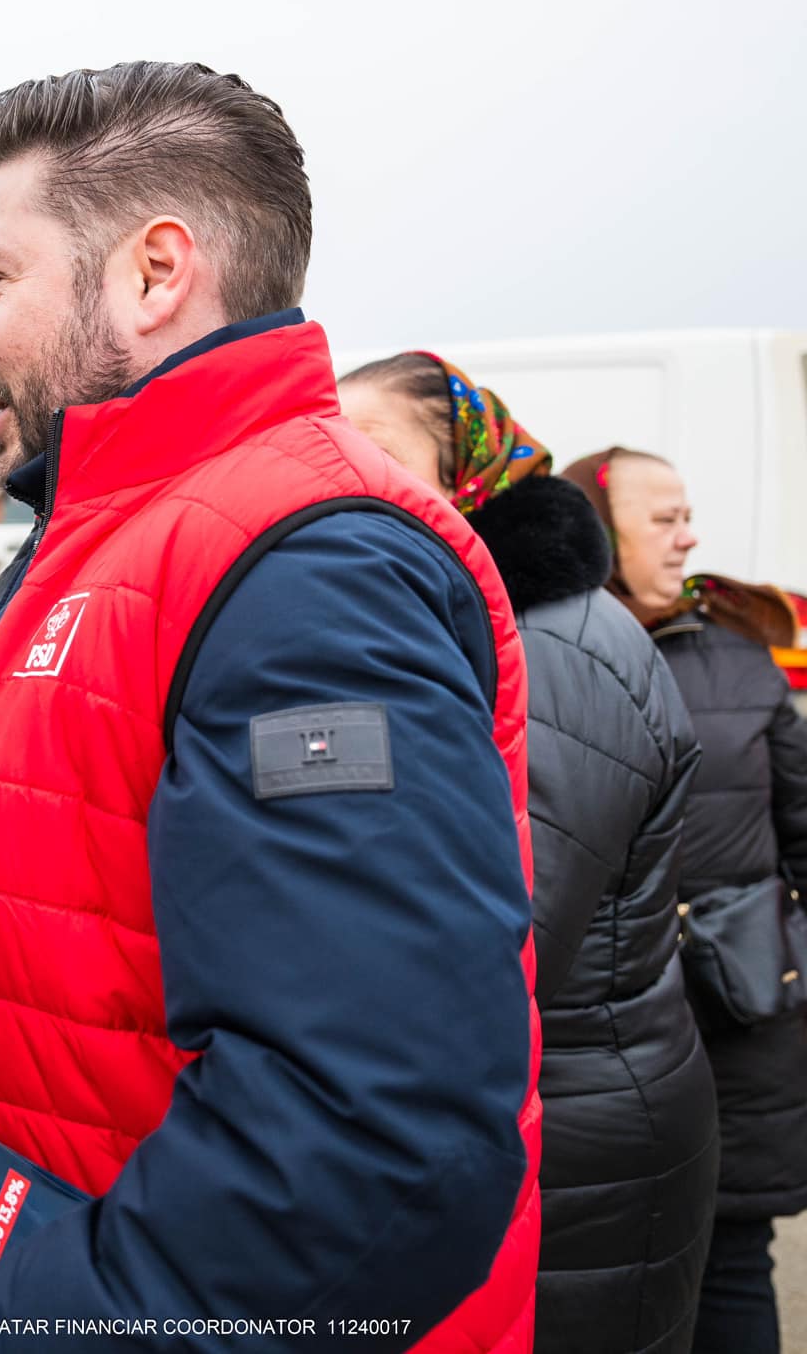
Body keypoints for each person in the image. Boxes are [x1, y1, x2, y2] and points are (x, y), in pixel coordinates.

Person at [0, 63, 541, 1352]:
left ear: (154, 274)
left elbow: (371, 1148)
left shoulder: (309, 569)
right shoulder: (116, 529)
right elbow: (64, 854)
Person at [341, 356, 717, 1354]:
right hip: (544, 1119)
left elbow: (506, 934)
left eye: (373, 449)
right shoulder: (471, 614)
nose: (342, 473)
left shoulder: (550, 647)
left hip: (581, 1148)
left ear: (468, 466)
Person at [564, 448, 807, 1354]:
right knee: (601, 1274)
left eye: (687, 516)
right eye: (663, 520)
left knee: (734, 1261)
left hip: (739, 1029)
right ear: (601, 531)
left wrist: (785, 957)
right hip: (598, 1041)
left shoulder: (742, 660)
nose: (688, 538)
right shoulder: (541, 650)